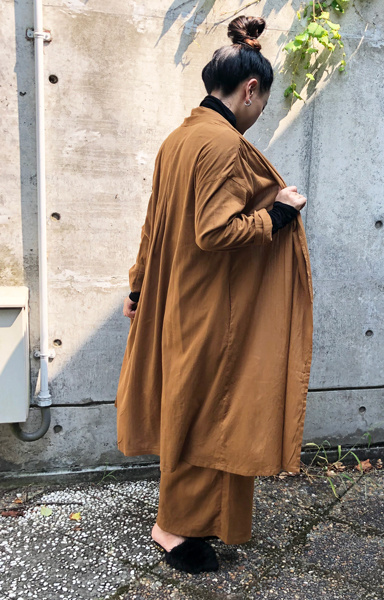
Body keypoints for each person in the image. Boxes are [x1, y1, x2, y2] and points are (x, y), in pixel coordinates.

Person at [115, 15, 313, 574]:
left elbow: (155, 223)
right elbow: (215, 231)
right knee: (206, 412)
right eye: (263, 101)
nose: (260, 111)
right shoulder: (223, 144)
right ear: (250, 89)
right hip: (207, 305)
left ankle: (187, 519)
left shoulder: (179, 138)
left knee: (192, 406)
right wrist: (279, 213)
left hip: (176, 296)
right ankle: (173, 527)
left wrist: (138, 286)